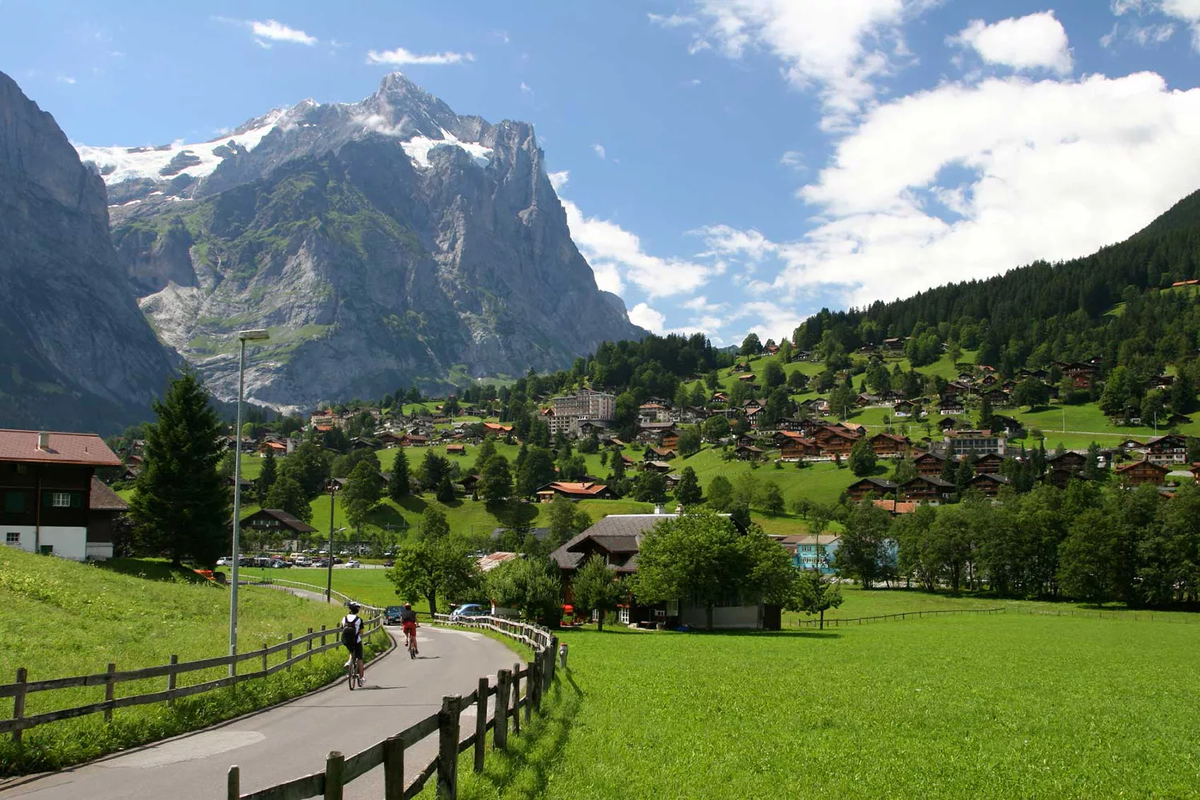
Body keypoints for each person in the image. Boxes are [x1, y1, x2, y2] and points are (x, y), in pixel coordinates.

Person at [340, 602, 365, 685]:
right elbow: (361, 632)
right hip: (356, 640)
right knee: (360, 659)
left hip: (345, 640)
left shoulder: (344, 618)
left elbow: (342, 628)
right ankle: (361, 678)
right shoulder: (359, 619)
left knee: (351, 650)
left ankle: (349, 662)